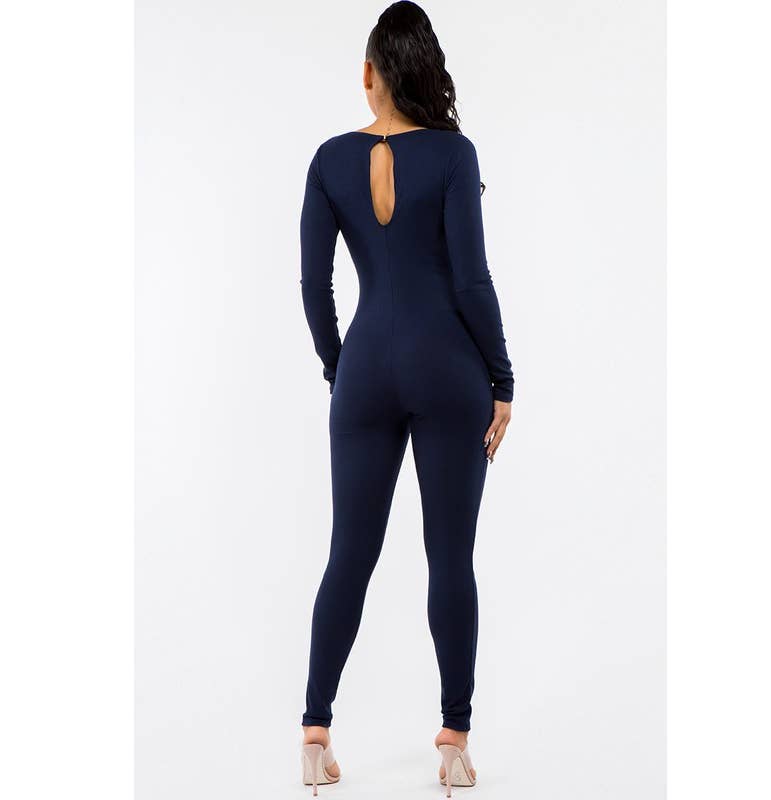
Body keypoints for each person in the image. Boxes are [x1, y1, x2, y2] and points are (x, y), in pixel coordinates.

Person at [298, 2, 514, 794]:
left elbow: (313, 285)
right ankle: (453, 742)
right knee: (450, 557)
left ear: (368, 74)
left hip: (366, 370)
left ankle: (314, 735)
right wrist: (503, 379)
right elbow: (471, 282)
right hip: (449, 371)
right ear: (423, 71)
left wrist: (340, 366)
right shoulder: (453, 155)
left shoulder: (329, 160)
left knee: (348, 556)